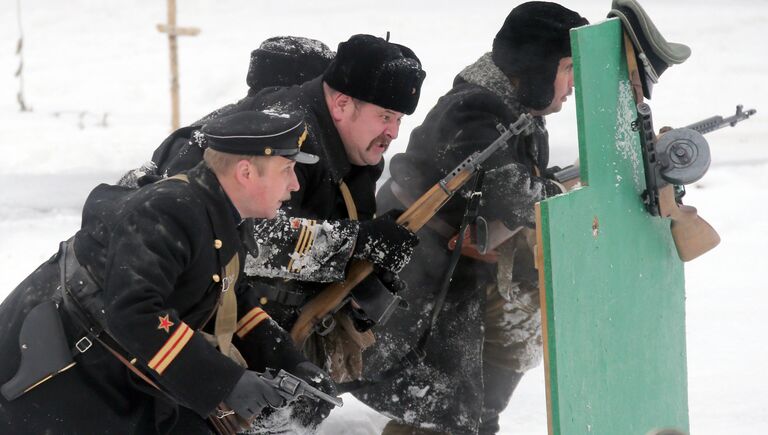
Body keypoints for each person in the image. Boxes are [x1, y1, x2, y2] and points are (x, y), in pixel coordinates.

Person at [124, 33, 427, 431]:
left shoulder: (356, 146)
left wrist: (364, 266)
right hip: (180, 302)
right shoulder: (283, 132)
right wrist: (356, 242)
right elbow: (251, 238)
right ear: (341, 104)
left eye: (399, 121)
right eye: (385, 117)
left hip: (239, 304)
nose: (393, 133)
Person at [0, 110, 335, 434]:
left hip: (118, 376)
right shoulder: (169, 213)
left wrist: (291, 363)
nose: (294, 184)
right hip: (59, 382)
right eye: (287, 168)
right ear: (246, 173)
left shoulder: (219, 212)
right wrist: (225, 382)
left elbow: (231, 297)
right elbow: (134, 313)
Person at [352, 3, 588, 434]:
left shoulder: (513, 107)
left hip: (462, 267)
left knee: (473, 403)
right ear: (536, 66)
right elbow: (508, 192)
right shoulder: (477, 107)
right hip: (423, 272)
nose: (574, 83)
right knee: (442, 411)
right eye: (568, 67)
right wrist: (565, 194)